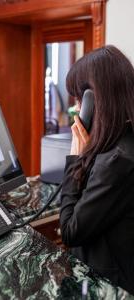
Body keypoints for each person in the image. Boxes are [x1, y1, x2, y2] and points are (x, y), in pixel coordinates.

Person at [59, 45, 134, 295]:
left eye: (79, 100)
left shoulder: (117, 161)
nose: (77, 110)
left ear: (95, 101)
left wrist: (74, 157)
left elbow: (70, 232)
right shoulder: (122, 140)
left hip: (109, 286)